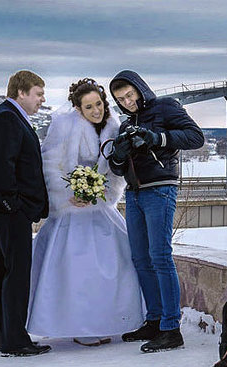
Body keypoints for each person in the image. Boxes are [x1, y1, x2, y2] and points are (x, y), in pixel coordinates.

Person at [27, 79, 145, 346]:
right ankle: (81, 328)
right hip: (70, 211)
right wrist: (68, 194)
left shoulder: (115, 127)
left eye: (99, 104)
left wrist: (101, 193)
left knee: (117, 266)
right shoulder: (64, 126)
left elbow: (117, 171)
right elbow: (50, 165)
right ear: (78, 109)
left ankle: (106, 323)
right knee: (76, 272)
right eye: (89, 106)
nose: (96, 110)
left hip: (100, 207)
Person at [107, 70, 204, 353]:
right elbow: (117, 168)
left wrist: (155, 138)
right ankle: (154, 320)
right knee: (140, 258)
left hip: (160, 188)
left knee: (160, 257)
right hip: (135, 193)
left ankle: (171, 328)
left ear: (140, 89)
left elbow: (195, 137)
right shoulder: (126, 125)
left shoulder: (166, 106)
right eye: (121, 99)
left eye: (130, 95)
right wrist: (119, 154)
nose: (127, 102)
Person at [0, 70, 51, 357]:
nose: (42, 100)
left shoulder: (8, 115)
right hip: (9, 212)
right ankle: (15, 340)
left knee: (5, 272)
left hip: (6, 210)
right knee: (16, 275)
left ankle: (3, 335)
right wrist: (13, 205)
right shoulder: (8, 118)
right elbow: (3, 167)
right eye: (39, 93)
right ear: (21, 92)